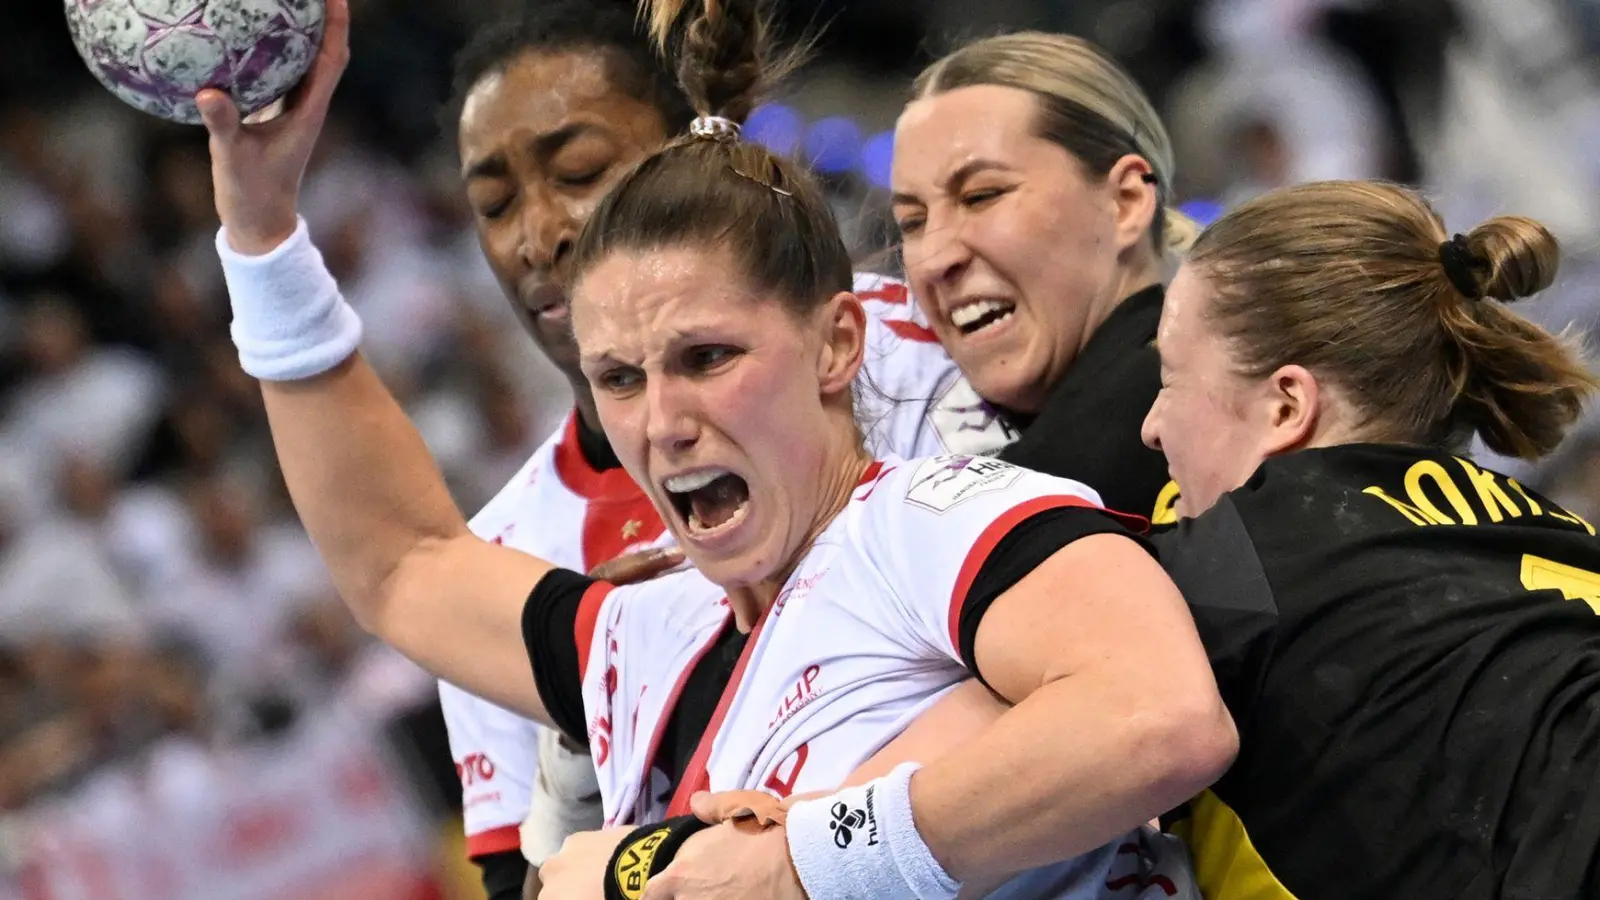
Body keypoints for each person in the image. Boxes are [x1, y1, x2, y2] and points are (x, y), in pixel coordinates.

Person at [196, 3, 1234, 900]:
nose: (662, 419)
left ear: (836, 344)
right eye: (621, 379)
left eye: (706, 357)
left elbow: (1158, 720)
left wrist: (796, 860)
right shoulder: (644, 632)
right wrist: (260, 236)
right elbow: (401, 564)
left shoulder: (936, 518)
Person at [825, 179, 1600, 900]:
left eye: (1169, 378)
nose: (1151, 426)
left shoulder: (1260, 546)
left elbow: (969, 745)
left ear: (1284, 407)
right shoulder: (1550, 530)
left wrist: (789, 849)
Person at [435, 2, 1017, 896]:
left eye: (580, 171)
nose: (538, 232)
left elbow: (1119, 691)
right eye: (494, 203)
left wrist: (796, 860)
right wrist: (578, 736)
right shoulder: (507, 553)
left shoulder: (926, 342)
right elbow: (534, 885)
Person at [891, 31, 1196, 522]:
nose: (932, 259)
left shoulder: (1194, 426)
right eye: (912, 222)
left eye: (981, 196)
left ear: (1126, 202)